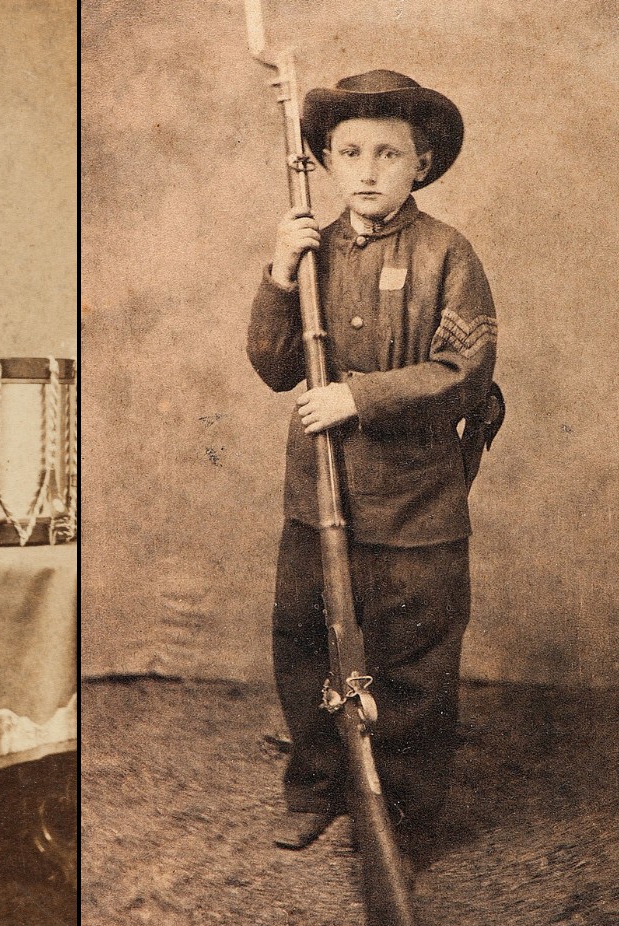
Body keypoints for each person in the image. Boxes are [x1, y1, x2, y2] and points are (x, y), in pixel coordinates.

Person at [245, 71, 499, 873]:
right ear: (322, 160)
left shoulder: (447, 253)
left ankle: (407, 814)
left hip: (416, 505)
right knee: (306, 643)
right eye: (348, 152)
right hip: (318, 493)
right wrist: (281, 273)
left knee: (414, 660)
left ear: (421, 164)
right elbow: (273, 367)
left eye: (388, 154)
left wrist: (358, 395)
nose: (366, 171)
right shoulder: (312, 249)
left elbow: (466, 373)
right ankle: (317, 787)